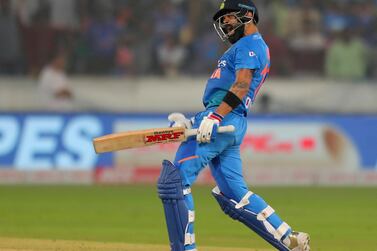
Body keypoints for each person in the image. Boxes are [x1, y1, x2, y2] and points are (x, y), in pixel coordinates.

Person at [157, 1, 310, 251]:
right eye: (222, 19)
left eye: (228, 17)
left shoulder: (251, 44)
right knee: (233, 192)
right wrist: (194, 120)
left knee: (173, 182)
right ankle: (289, 239)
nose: (225, 23)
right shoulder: (247, 46)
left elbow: (240, 85)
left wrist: (214, 117)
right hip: (228, 120)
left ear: (248, 15)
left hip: (224, 119)